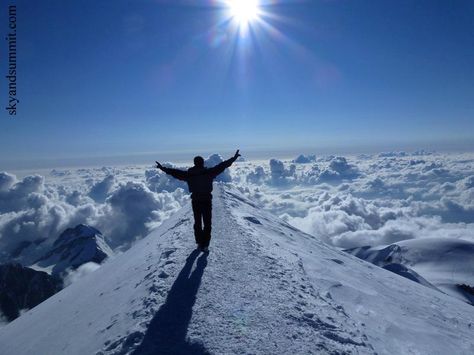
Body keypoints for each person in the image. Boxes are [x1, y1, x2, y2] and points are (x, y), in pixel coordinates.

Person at [156, 150, 241, 252]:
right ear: (202, 163)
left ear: (194, 163)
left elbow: (175, 172)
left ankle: (199, 243)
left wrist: (163, 168)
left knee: (197, 222)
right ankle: (205, 244)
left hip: (196, 201)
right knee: (207, 223)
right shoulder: (209, 172)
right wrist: (234, 158)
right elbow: (223, 165)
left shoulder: (189, 175)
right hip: (206, 200)